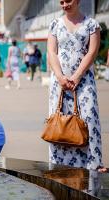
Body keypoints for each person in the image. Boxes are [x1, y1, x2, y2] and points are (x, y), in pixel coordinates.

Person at [48, 0, 107, 172]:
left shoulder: (91, 24)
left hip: (84, 80)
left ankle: (93, 163)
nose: (65, 4)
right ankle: (59, 162)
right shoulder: (55, 24)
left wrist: (76, 77)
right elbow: (51, 51)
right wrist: (60, 77)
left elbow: (92, 52)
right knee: (60, 121)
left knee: (88, 117)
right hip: (59, 82)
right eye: (61, 1)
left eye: (68, 0)